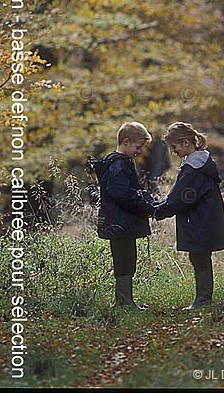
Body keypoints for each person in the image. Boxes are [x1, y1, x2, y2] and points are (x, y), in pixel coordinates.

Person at [154, 122, 224, 308]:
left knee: (200, 257)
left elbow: (181, 198)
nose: (173, 152)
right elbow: (178, 195)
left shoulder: (194, 168)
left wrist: (158, 211)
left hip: (200, 221)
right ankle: (202, 298)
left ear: (186, 142)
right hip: (203, 220)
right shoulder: (196, 164)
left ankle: (203, 300)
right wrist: (161, 205)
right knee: (199, 257)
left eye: (175, 147)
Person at [99, 121, 156, 310]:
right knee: (124, 259)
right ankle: (124, 302)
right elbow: (121, 193)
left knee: (127, 258)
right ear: (125, 142)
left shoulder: (116, 162)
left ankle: (124, 300)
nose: (139, 151)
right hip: (120, 221)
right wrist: (144, 203)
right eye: (137, 147)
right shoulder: (118, 164)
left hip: (119, 220)